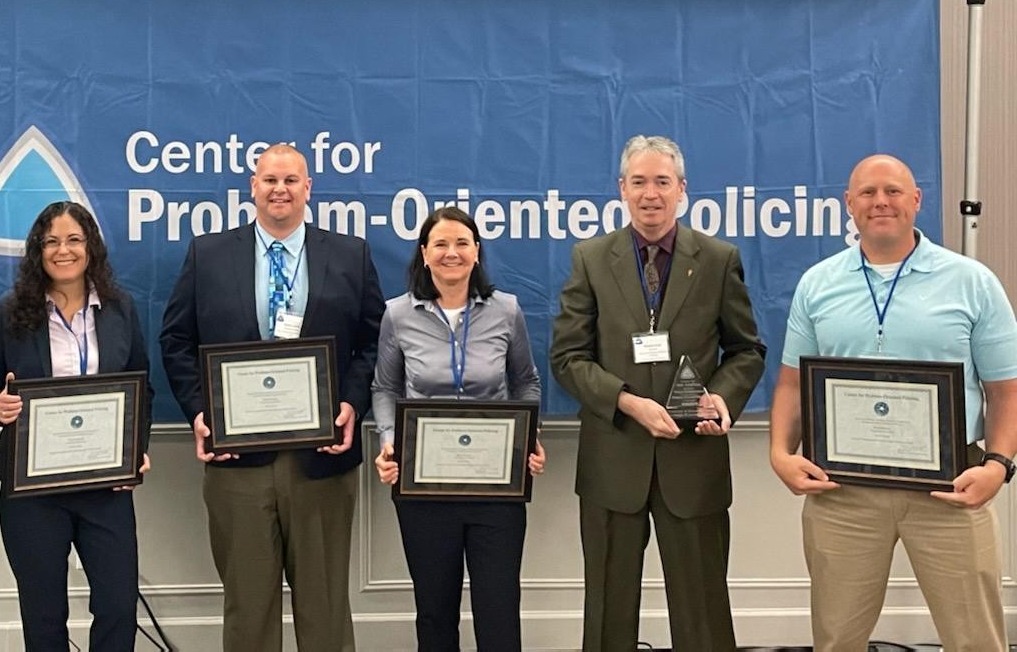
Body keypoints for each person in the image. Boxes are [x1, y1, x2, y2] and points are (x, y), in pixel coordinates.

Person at [769, 153, 1017, 651]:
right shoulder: (817, 284)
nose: (880, 201)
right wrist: (779, 453)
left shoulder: (972, 282)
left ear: (917, 200)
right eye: (867, 192)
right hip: (842, 494)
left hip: (952, 491)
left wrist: (999, 465)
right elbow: (792, 383)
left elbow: (1004, 390)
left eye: (893, 191)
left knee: (976, 640)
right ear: (848, 205)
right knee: (837, 638)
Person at [160, 143, 385, 652]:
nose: (279, 189)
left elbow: (374, 341)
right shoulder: (208, 254)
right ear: (251, 188)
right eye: (269, 180)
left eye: (290, 180)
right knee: (248, 609)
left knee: (325, 609)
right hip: (238, 460)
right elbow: (175, 341)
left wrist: (351, 403)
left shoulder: (350, 254)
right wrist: (200, 413)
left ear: (309, 188)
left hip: (322, 460)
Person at [550, 134, 765, 652]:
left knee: (704, 614)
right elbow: (567, 359)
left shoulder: (717, 259)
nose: (651, 194)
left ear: (682, 190)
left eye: (662, 182)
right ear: (622, 189)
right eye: (640, 182)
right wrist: (627, 401)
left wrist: (721, 399)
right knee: (606, 612)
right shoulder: (591, 259)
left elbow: (746, 352)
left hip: (692, 460)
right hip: (613, 459)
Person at [0, 201, 153, 651]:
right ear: (37, 251)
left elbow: (141, 387)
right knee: (44, 612)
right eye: (51, 242)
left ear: (90, 247)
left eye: (73, 239)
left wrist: (134, 450)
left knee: (117, 605)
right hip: (32, 489)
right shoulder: (10, 312)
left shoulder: (118, 308)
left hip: (104, 484)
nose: (63, 250)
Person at [372, 206, 545, 652]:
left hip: (496, 490)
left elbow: (526, 381)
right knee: (434, 610)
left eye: (462, 243)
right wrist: (390, 443)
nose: (452, 253)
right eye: (441, 244)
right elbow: (385, 386)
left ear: (477, 252)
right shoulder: (397, 314)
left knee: (499, 608)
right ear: (424, 255)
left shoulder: (506, 310)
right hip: (424, 489)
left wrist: (529, 439)